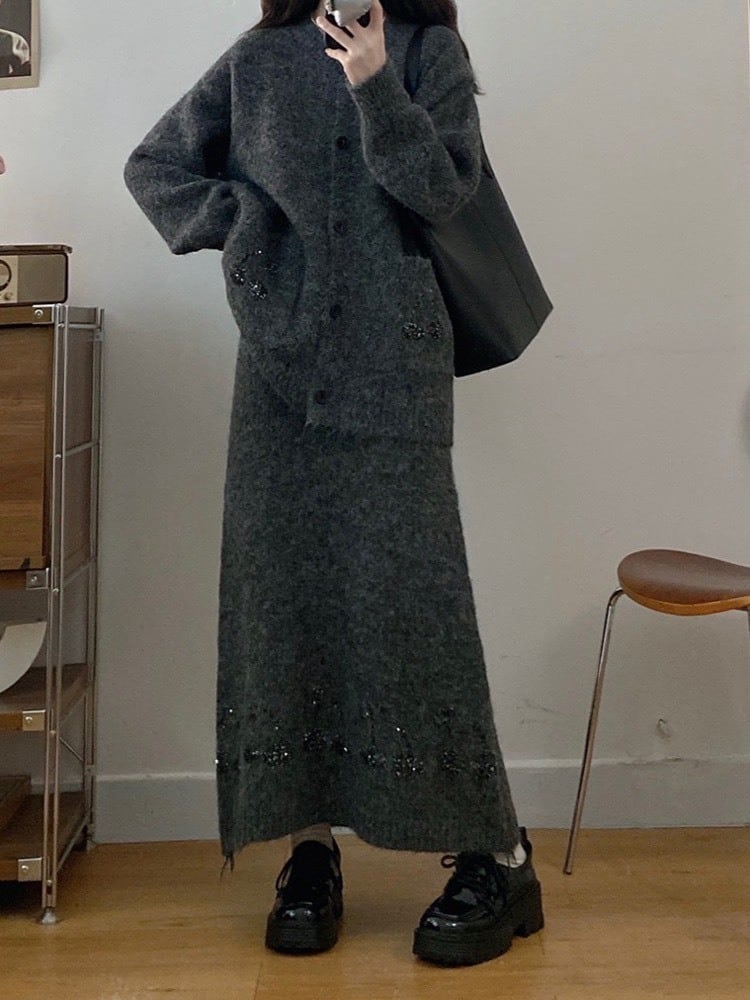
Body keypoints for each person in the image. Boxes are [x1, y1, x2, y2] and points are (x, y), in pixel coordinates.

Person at [123, 0, 544, 968]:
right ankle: (308, 852)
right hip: (278, 379)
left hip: (395, 374)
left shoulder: (430, 51)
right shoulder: (256, 60)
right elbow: (154, 166)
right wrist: (242, 226)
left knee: (417, 615)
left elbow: (445, 192)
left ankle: (499, 857)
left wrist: (376, 84)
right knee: (283, 606)